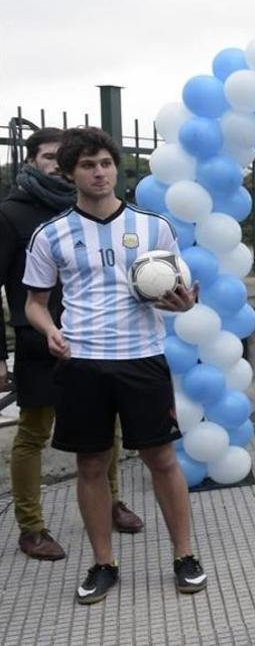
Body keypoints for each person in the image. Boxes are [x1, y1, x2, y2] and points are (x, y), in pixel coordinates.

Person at [23, 127, 206, 604]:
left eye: (105, 162)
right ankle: (104, 563)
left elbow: (179, 293)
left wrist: (184, 305)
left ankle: (184, 556)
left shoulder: (154, 227)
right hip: (82, 362)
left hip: (142, 358)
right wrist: (50, 330)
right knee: (91, 464)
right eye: (87, 165)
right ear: (69, 173)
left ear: (115, 166)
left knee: (162, 459)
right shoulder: (51, 233)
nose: (99, 172)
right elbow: (34, 303)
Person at [0, 128, 144, 562]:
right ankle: (31, 526)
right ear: (33, 161)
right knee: (33, 433)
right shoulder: (11, 214)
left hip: (97, 342)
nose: (56, 163)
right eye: (48, 156)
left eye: (62, 156)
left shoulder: (90, 209)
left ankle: (112, 501)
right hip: (37, 343)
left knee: (107, 430)